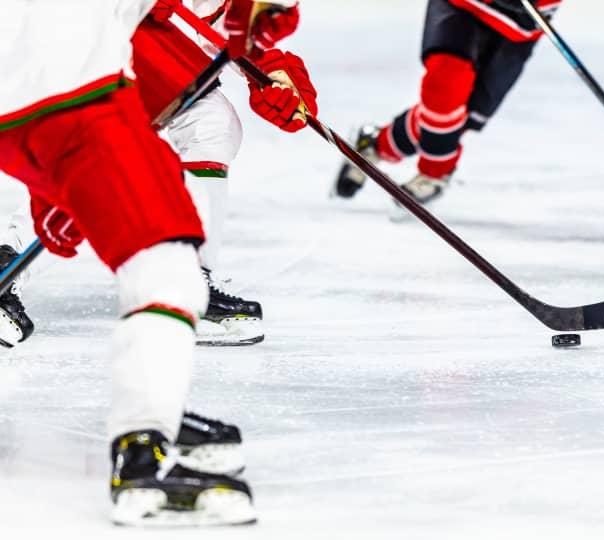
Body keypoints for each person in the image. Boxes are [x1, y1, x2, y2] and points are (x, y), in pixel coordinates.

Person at [0, 0, 313, 525]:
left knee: (204, 129)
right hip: (79, 84)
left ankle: (150, 418)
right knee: (163, 264)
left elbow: (239, 27)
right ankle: (144, 448)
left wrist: (276, 70)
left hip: (67, 75)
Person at [0, 0, 311, 347]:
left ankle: (188, 282)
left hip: (129, 33)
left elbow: (222, 14)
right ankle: (9, 263)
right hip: (61, 32)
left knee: (209, 124)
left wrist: (268, 68)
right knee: (90, 152)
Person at [333, 0, 561, 206]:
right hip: (462, 8)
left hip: (517, 29)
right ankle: (435, 173)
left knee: (465, 115)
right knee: (446, 82)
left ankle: (377, 144)